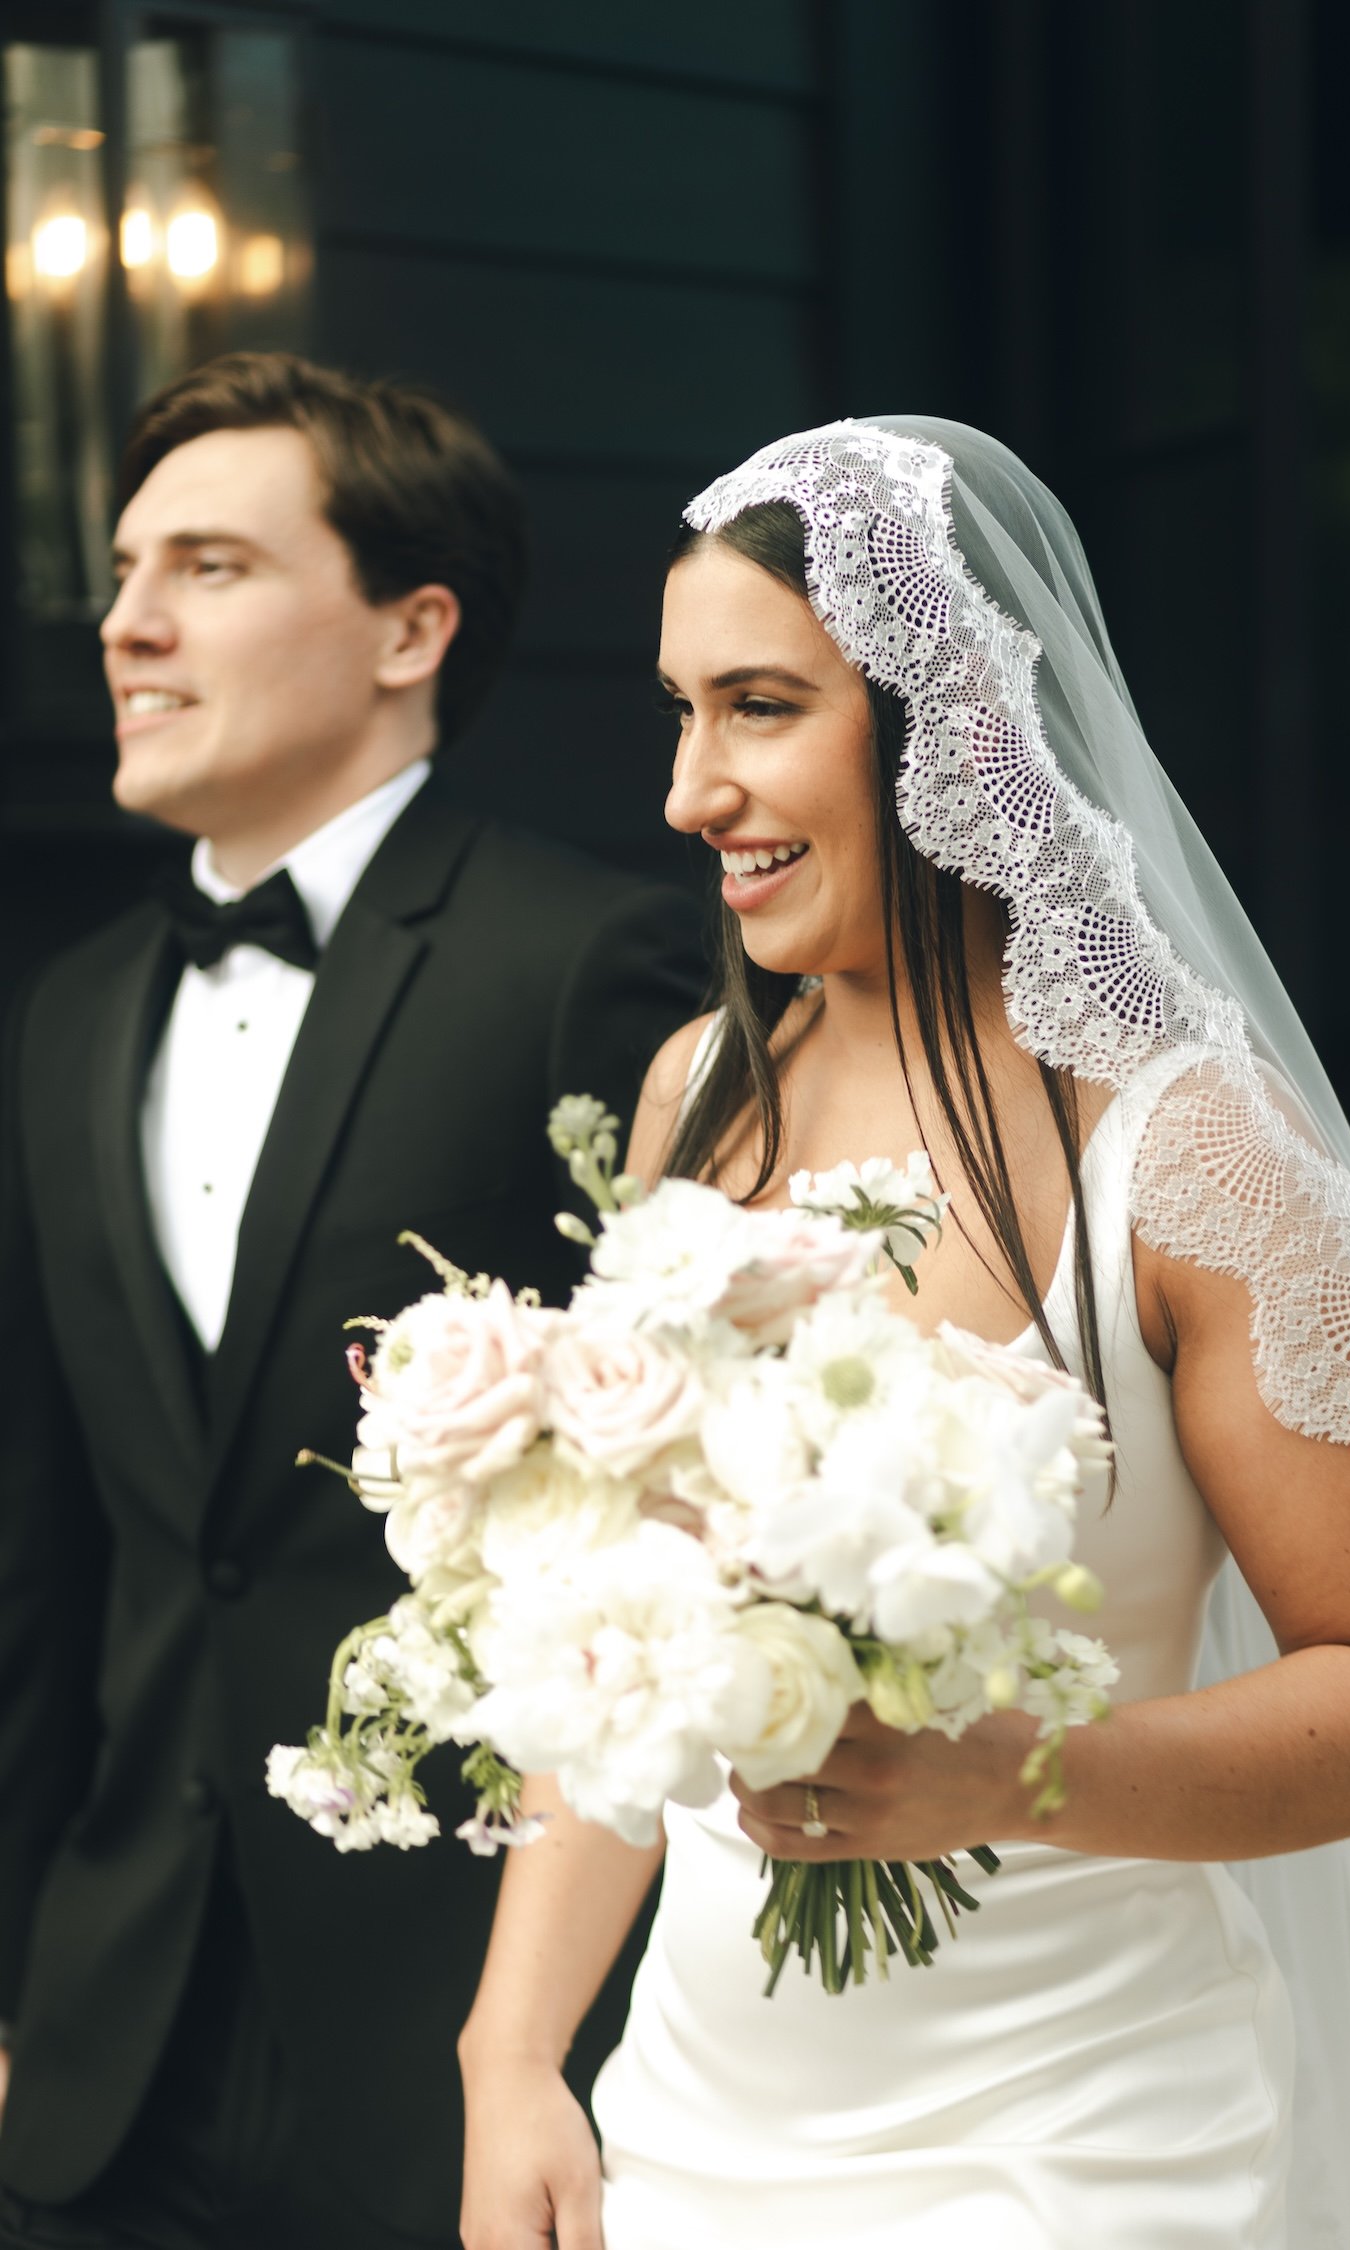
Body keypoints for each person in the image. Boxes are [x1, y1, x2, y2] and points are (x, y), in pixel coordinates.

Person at [455, 417, 1350, 2250]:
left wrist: (1004, 1769)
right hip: (703, 2124)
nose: (696, 789)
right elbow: (614, 1646)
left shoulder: (1185, 1146)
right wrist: (515, 2051)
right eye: (681, 711)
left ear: (946, 731)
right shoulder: (693, 1095)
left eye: (760, 706)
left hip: (1080, 2135)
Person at [0, 351, 704, 2250]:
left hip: (467, 2046)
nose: (128, 623)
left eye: (209, 567)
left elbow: (687, 1529)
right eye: (127, 568)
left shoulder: (593, 963)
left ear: (414, 626)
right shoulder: (67, 1021)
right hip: (102, 2054)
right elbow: (42, 1554)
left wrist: (556, 2037)